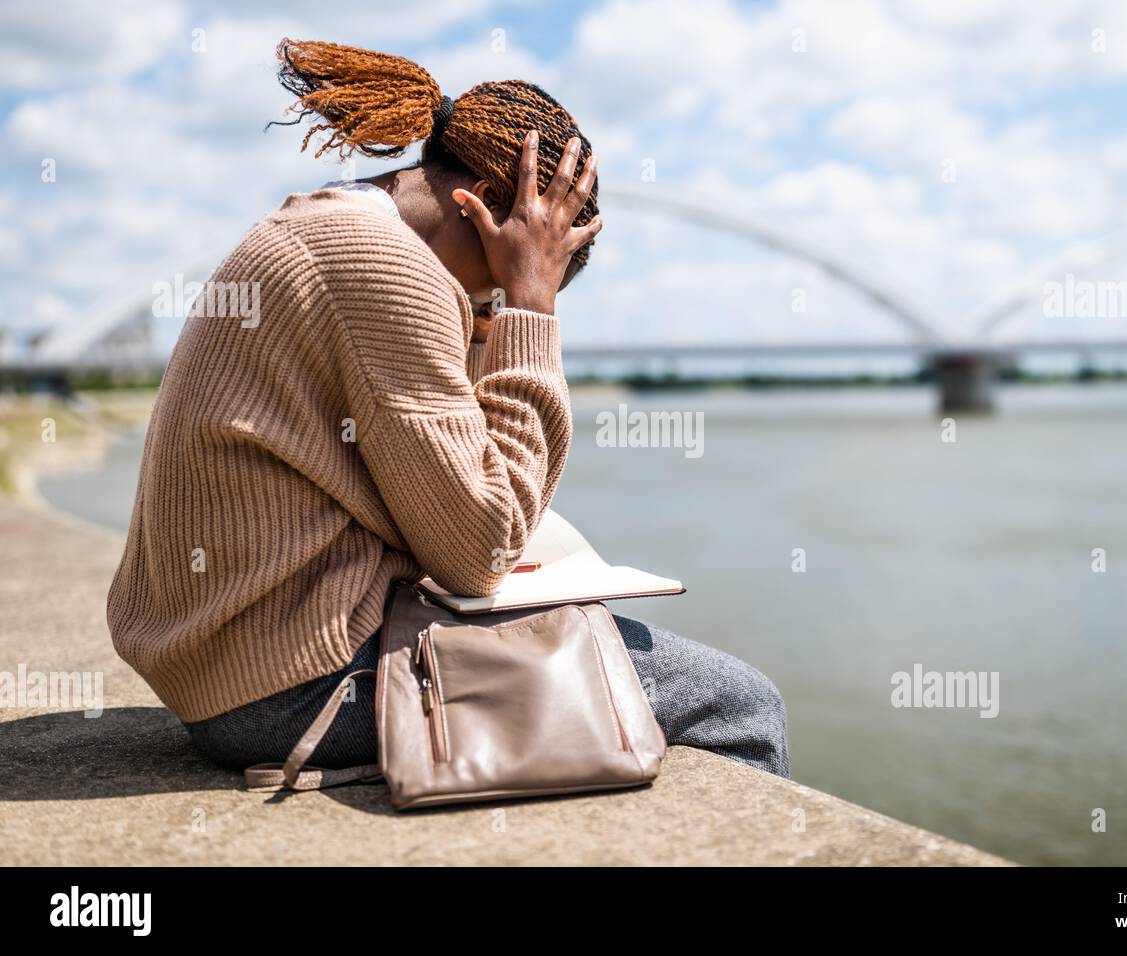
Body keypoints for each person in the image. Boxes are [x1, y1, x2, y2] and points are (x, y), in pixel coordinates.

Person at [106, 39, 789, 780]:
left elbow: (441, 482)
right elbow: (478, 552)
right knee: (743, 703)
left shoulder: (337, 227)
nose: (488, 306)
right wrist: (531, 309)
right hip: (287, 684)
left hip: (226, 659)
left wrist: (476, 325)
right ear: (489, 206)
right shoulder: (387, 267)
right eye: (500, 281)